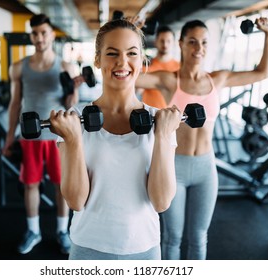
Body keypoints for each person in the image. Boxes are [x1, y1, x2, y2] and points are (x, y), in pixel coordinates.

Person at [135, 18, 268, 259]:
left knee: (199, 238)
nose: (199, 48)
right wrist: (134, 34)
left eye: (204, 43)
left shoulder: (217, 79)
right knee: (172, 237)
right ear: (181, 44)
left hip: (206, 168)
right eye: (192, 42)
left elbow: (262, 73)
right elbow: (130, 76)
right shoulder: (169, 80)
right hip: (174, 168)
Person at [51, 19, 181, 260]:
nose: (122, 62)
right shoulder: (74, 122)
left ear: (142, 61)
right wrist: (74, 140)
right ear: (98, 60)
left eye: (132, 53)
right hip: (88, 248)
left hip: (144, 249)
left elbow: (161, 202)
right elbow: (76, 201)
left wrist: (163, 135)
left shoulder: (160, 121)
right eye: (112, 53)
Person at [2, 13, 78, 255]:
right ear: (31, 35)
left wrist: (73, 91)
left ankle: (62, 231)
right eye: (35, 33)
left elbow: (70, 105)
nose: (39, 37)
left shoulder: (65, 66)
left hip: (57, 136)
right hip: (30, 137)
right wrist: (9, 137)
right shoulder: (19, 67)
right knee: (30, 185)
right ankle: (34, 231)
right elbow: (15, 104)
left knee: (61, 186)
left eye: (43, 32)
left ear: (51, 34)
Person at [141, 26, 180, 108]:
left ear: (173, 43)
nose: (165, 44)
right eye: (162, 41)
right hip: (149, 114)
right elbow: (137, 90)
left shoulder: (180, 68)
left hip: (172, 114)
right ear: (156, 42)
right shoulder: (147, 65)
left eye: (168, 41)